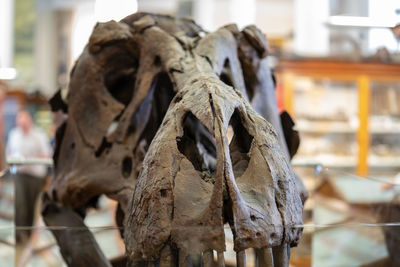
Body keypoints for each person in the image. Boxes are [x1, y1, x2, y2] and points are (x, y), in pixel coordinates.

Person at [6, 109, 52, 244]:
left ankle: (29, 234)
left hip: (35, 176)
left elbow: (46, 154)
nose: (22, 123)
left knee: (31, 205)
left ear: (29, 121)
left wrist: (28, 158)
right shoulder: (14, 134)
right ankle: (20, 236)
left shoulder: (39, 135)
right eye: (19, 120)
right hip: (20, 174)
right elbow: (9, 152)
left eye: (24, 120)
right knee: (20, 205)